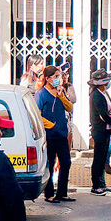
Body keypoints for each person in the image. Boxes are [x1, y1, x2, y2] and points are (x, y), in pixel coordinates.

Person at [37, 65, 75, 203]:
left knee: (66, 162)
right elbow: (37, 115)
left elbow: (69, 107)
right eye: (55, 77)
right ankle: (49, 193)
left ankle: (62, 192)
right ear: (47, 79)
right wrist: (51, 125)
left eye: (60, 76)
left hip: (62, 134)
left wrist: (61, 95)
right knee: (50, 163)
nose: (59, 79)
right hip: (50, 135)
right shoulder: (41, 94)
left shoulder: (61, 91)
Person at [88, 70, 111, 196]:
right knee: (98, 159)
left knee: (102, 157)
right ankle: (96, 185)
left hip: (106, 130)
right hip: (100, 131)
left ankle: (101, 184)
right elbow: (104, 114)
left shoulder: (103, 93)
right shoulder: (96, 95)